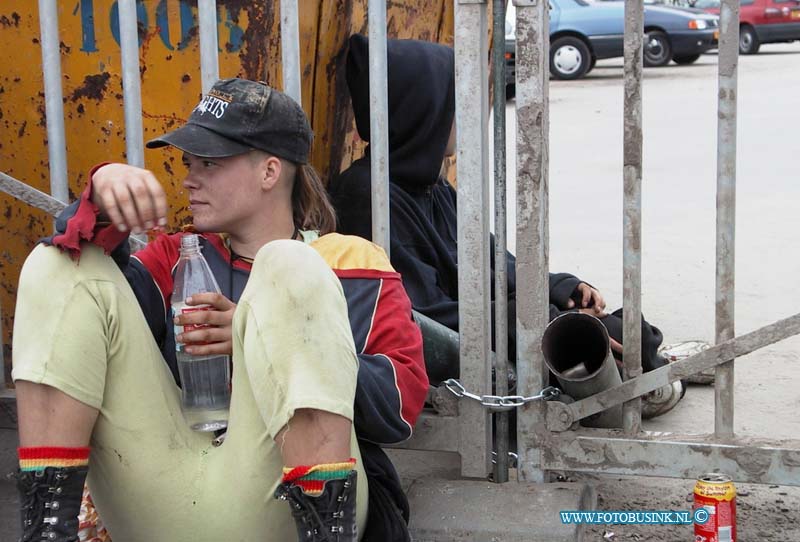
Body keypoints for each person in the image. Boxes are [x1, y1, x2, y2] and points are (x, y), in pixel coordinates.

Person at [13, 78, 429, 542]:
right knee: (57, 263)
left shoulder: (352, 262)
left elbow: (400, 408)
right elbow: (80, 312)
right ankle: (46, 532)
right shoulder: (176, 256)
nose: (190, 177)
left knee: (287, 262)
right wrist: (100, 199)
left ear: (270, 172)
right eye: (190, 162)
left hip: (288, 506)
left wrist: (262, 338)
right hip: (172, 485)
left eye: (210, 163)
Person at [329, 34, 684, 419]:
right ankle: (637, 381)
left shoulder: (428, 183)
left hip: (487, 322)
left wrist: (559, 287)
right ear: (420, 108)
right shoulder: (369, 197)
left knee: (620, 327)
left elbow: (493, 259)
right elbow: (419, 315)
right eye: (455, 103)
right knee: (585, 338)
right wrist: (535, 316)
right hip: (456, 344)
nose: (466, 117)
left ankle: (642, 369)